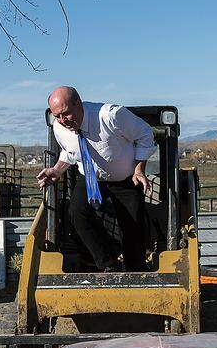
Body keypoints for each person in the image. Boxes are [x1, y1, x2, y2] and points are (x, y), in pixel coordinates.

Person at [36, 86, 156, 271]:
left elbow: (145, 134)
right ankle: (109, 265)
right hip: (91, 178)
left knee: (133, 224)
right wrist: (56, 170)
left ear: (78, 103)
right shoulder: (59, 127)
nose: (62, 120)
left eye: (66, 114)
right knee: (77, 213)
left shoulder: (111, 116)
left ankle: (135, 270)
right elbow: (70, 152)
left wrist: (139, 169)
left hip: (125, 179)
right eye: (57, 116)